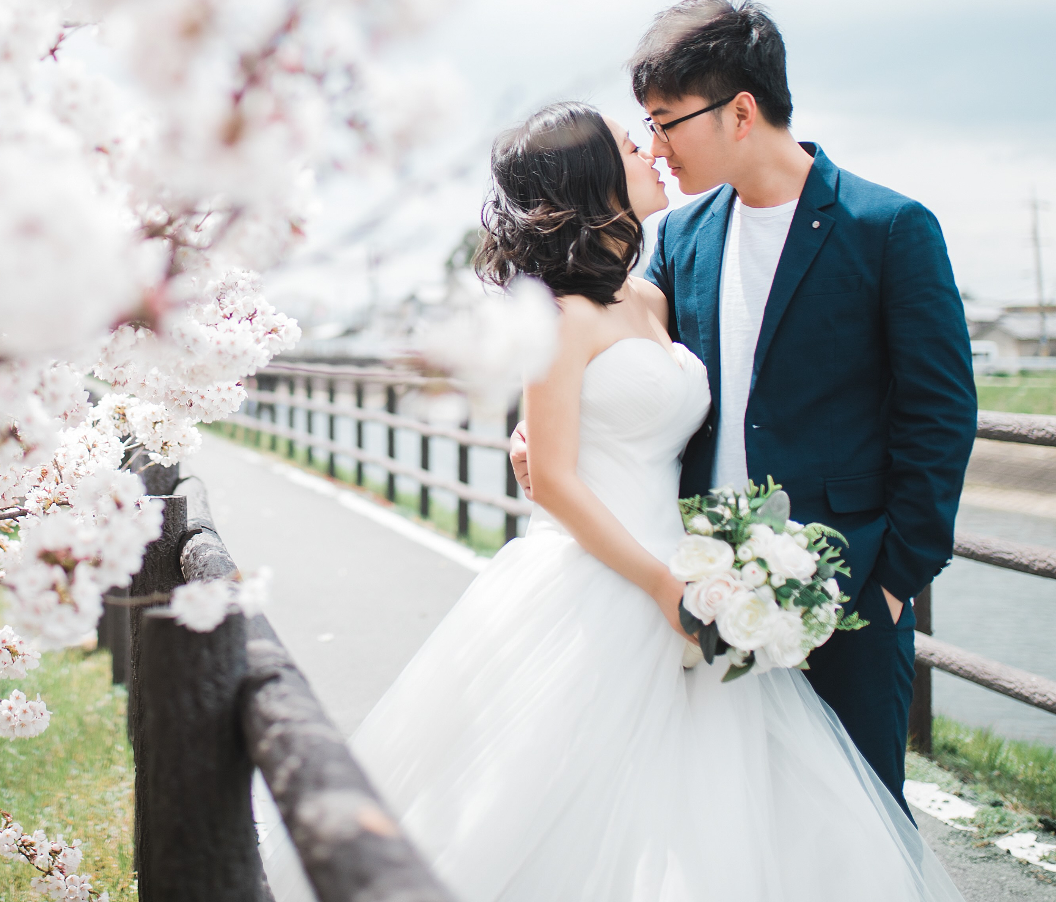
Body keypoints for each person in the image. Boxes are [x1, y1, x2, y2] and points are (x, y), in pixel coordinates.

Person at [263, 97, 965, 901]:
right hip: (607, 578)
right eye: (634, 145)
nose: (653, 153)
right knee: (547, 805)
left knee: (707, 809)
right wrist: (660, 580)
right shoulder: (558, 315)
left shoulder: (651, 296)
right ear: (594, 178)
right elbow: (558, 479)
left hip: (691, 567)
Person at [509, 0, 978, 805]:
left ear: (740, 112)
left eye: (666, 122)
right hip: (695, 591)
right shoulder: (681, 236)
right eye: (647, 128)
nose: (656, 147)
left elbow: (940, 418)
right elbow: (620, 354)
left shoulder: (888, 228)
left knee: (855, 821)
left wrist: (896, 580)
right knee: (716, 820)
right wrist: (534, 428)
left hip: (843, 588)